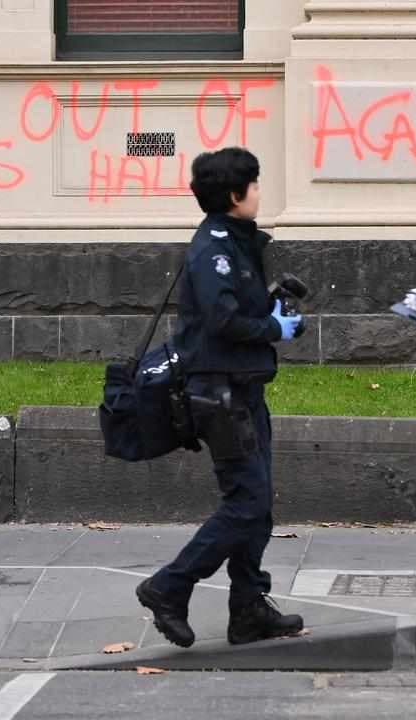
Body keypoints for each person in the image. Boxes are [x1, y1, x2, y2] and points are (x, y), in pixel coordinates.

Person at [135, 146, 305, 648]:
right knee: (246, 504)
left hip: (243, 389)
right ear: (235, 195)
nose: (258, 192)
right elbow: (222, 320)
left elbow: (237, 309)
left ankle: (248, 609)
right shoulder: (214, 250)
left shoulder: (237, 242)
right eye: (253, 185)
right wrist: (272, 326)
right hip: (219, 393)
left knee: (259, 504)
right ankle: (169, 586)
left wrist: (274, 309)